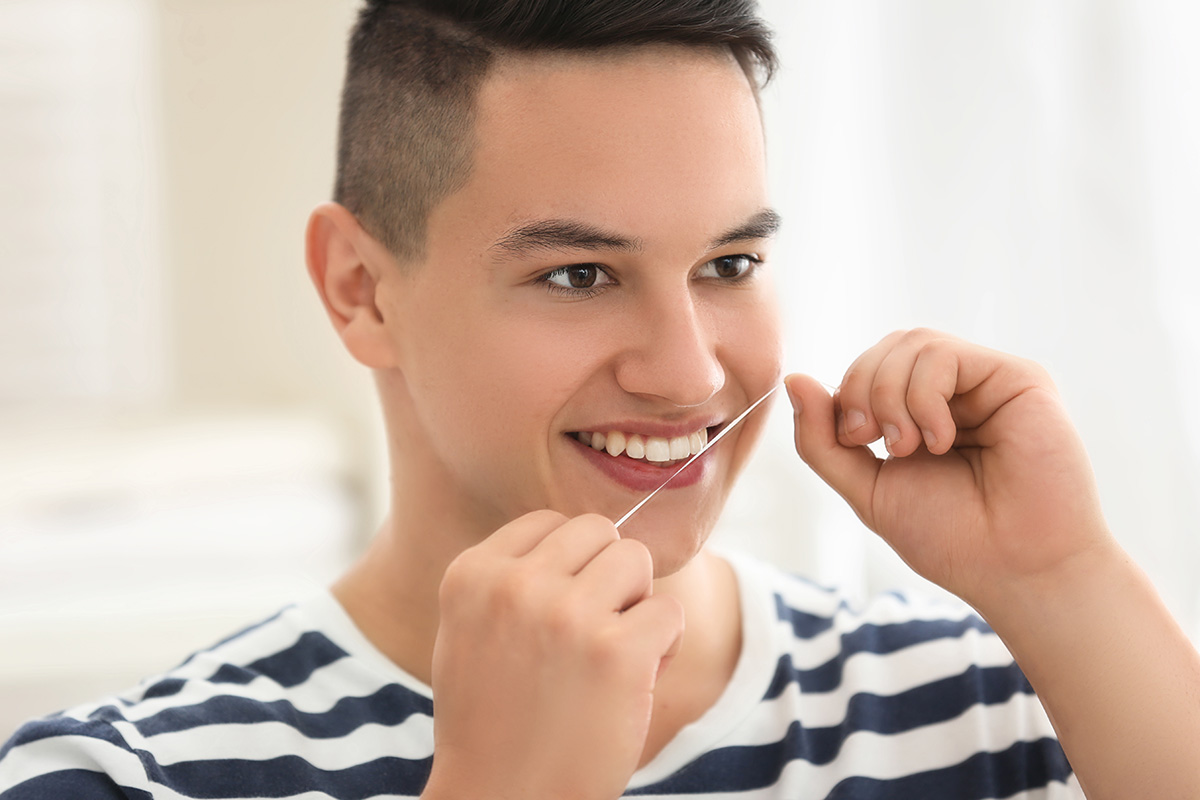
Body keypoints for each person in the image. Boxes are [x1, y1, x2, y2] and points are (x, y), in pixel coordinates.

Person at [2, 1, 1198, 797]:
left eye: (729, 264)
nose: (687, 371)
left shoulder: (988, 702)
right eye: (578, 274)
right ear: (363, 290)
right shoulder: (124, 775)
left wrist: (1061, 580)